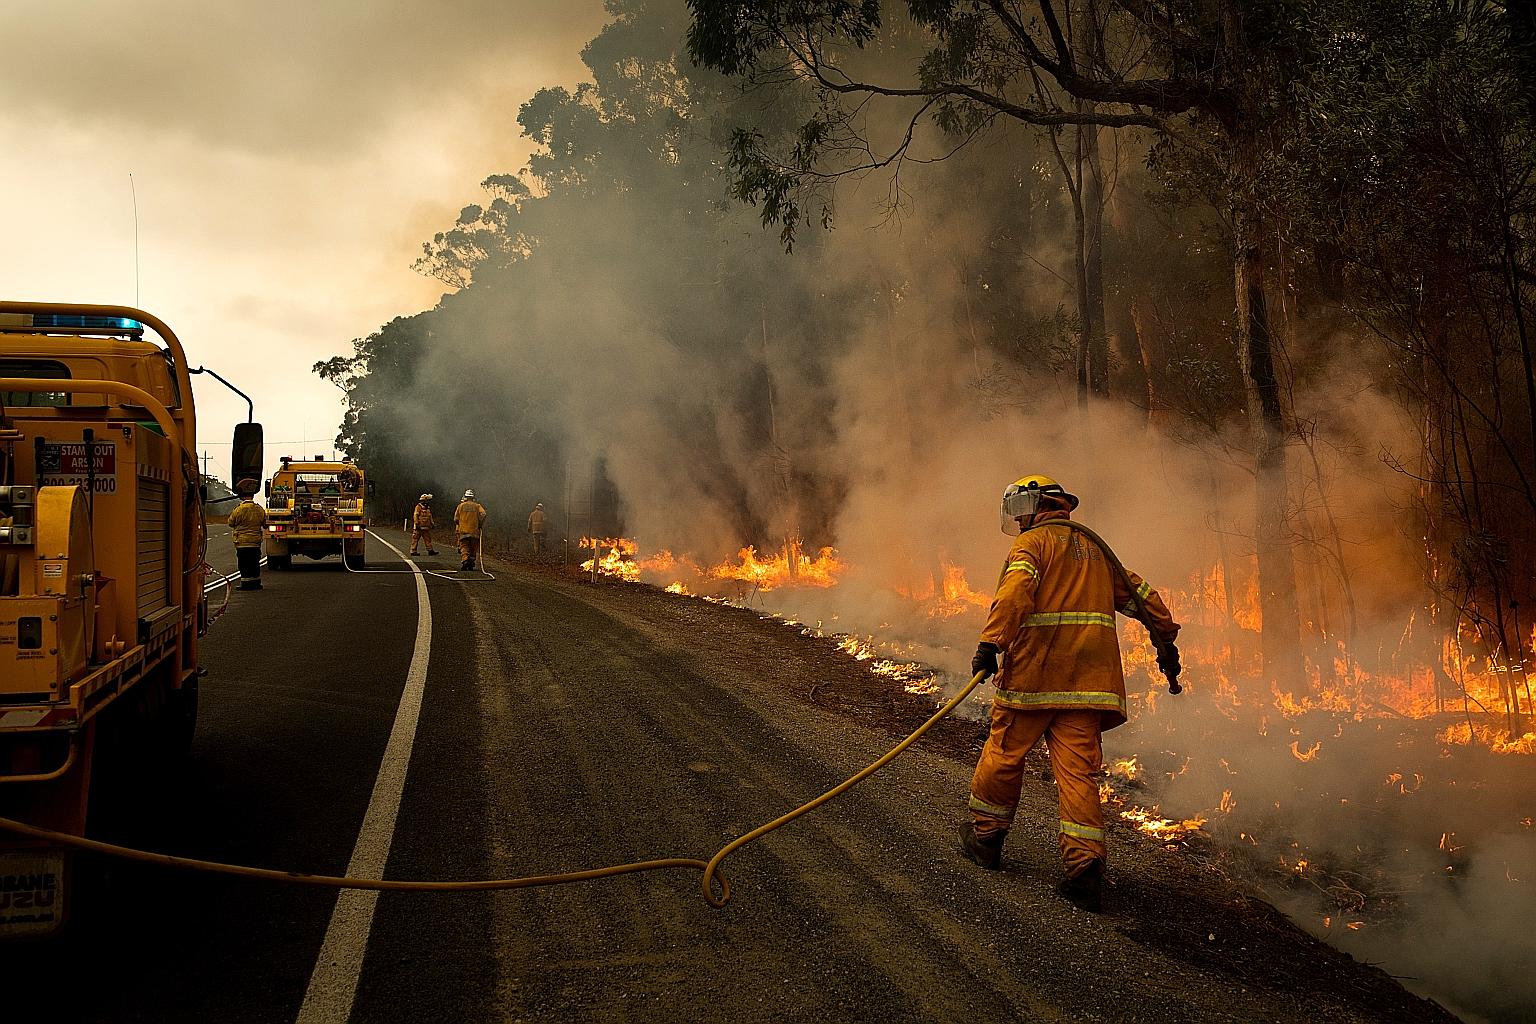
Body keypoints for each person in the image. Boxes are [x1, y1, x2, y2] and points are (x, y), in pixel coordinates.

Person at [961, 474, 1180, 913]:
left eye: (1021, 510)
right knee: (1079, 775)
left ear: (1034, 505)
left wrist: (991, 644)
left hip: (1035, 679)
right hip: (1088, 686)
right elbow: (1140, 593)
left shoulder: (1032, 546)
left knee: (1005, 753)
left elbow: (1014, 596)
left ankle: (985, 838)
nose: (1019, 520)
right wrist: (1166, 638)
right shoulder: (1095, 550)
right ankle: (1085, 870)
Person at [226, 478, 268, 591]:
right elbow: (265, 524)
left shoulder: (238, 510)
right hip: (255, 542)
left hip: (242, 542)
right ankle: (256, 583)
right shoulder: (259, 509)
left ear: (242, 496)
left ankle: (245, 583)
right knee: (255, 563)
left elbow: (231, 523)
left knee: (244, 564)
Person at [454, 488, 488, 571]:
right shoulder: (477, 506)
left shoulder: (460, 506)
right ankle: (471, 562)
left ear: (465, 497)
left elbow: (455, 519)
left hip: (463, 531)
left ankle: (465, 560)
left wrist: (460, 523)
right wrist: (479, 523)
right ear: (473, 497)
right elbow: (483, 514)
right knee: (473, 547)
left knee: (464, 547)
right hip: (474, 531)